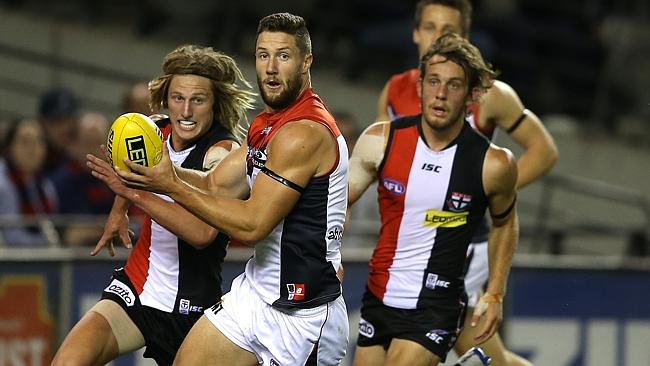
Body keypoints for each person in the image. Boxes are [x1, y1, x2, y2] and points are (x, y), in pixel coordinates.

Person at [99, 13, 350, 366]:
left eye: (283, 56)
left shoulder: (304, 132)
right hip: (255, 296)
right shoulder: (266, 125)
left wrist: (167, 184)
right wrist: (149, 175)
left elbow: (251, 225)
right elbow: (216, 183)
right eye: (263, 55)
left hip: (301, 313)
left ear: (306, 61)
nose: (271, 68)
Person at [375, 1, 558, 364]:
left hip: (461, 244)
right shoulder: (394, 90)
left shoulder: (489, 93)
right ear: (415, 32)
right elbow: (380, 160)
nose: (437, 38)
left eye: (449, 31)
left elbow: (544, 150)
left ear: (465, 39)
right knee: (478, 352)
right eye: (429, 27)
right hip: (411, 241)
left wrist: (490, 192)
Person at [52, 44, 256, 366]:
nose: (186, 111)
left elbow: (202, 234)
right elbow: (131, 167)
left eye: (198, 100)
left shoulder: (222, 154)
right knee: (68, 361)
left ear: (215, 103)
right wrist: (118, 212)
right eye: (178, 98)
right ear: (166, 99)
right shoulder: (152, 130)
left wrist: (134, 196)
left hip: (191, 307)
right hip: (136, 285)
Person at [349, 33, 518, 366]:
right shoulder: (380, 141)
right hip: (379, 296)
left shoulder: (493, 163)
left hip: (436, 305)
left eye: (454, 85)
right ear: (420, 86)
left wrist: (495, 291)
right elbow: (338, 203)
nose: (440, 94)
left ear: (473, 95)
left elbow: (505, 223)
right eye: (434, 82)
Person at [49, 111, 115, 246]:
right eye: (88, 143)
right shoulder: (60, 182)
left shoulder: (116, 179)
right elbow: (72, 234)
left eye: (99, 143)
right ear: (74, 145)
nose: (95, 150)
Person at [0, 118, 58, 246]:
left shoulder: (46, 187)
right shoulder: (2, 184)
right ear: (9, 148)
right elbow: (12, 237)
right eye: (25, 142)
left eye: (39, 142)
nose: (33, 149)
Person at [37, 87, 81, 175]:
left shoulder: (80, 160)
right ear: (43, 123)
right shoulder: (35, 162)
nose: (66, 128)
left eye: (69, 119)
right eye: (57, 121)